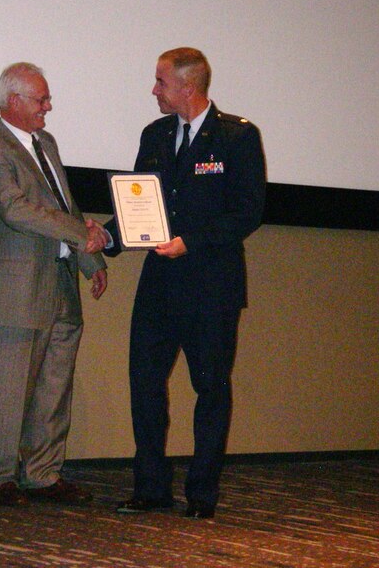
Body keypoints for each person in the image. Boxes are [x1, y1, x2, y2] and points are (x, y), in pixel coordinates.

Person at [107, 48, 266, 519]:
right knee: (145, 384)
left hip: (211, 285)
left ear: (187, 87)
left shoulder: (236, 136)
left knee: (210, 388)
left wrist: (190, 242)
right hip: (159, 284)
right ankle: (151, 488)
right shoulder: (154, 135)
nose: (154, 91)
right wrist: (107, 237)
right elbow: (139, 204)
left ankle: (202, 494)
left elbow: (247, 211)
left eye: (160, 82)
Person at [0, 62, 108, 507]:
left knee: (54, 387)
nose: (49, 106)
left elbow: (65, 204)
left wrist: (90, 262)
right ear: (14, 102)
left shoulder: (45, 143)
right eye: (41, 99)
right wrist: (79, 234)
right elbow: (17, 211)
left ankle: (44, 475)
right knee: (10, 391)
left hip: (60, 287)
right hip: (14, 292)